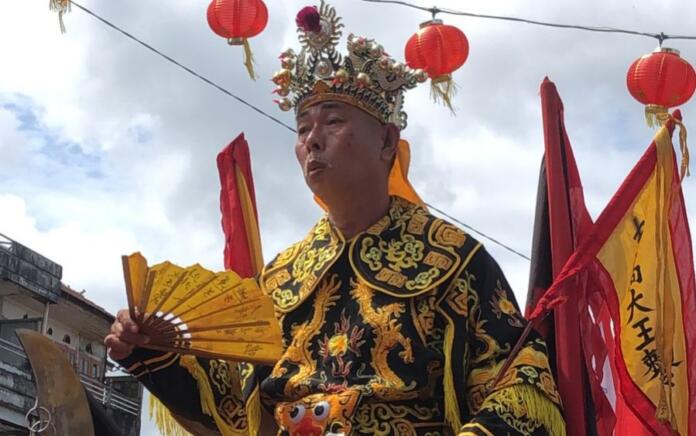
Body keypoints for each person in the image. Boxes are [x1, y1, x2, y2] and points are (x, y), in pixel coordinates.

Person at [105, 2, 565, 435]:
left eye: (332, 122)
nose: (312, 141)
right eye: (303, 128)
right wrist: (150, 348)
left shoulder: (453, 260)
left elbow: (523, 387)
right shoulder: (282, 277)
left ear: (386, 141)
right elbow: (233, 404)